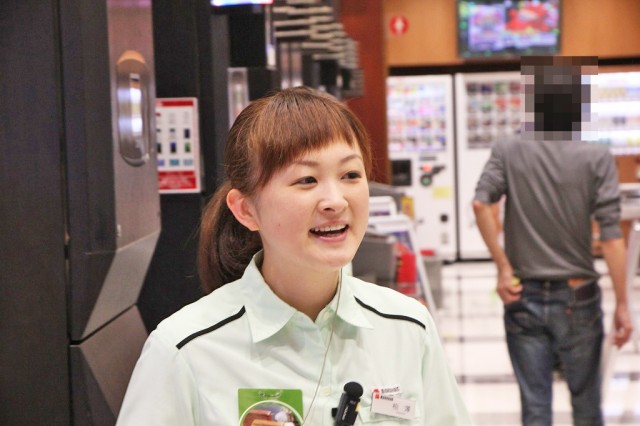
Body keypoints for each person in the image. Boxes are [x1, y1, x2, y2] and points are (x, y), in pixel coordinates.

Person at [117, 87, 472, 425]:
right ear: (246, 210)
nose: (335, 201)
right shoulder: (185, 349)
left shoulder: (408, 328)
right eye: (306, 180)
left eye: (350, 174)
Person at [473, 56, 634, 426]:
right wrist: (623, 304)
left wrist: (502, 267)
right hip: (579, 296)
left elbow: (481, 203)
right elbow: (612, 237)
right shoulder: (597, 156)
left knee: (535, 408)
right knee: (587, 406)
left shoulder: (508, 149)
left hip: (522, 293)